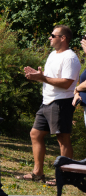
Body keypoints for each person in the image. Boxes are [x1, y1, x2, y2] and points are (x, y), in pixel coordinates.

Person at [18, 25, 80, 183]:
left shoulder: (70, 58)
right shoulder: (53, 54)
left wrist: (42, 78)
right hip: (47, 101)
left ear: (63, 38)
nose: (50, 38)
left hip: (61, 102)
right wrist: (39, 75)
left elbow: (66, 83)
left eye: (53, 35)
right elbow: (51, 76)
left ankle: (64, 177)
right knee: (35, 134)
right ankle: (37, 173)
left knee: (62, 138)